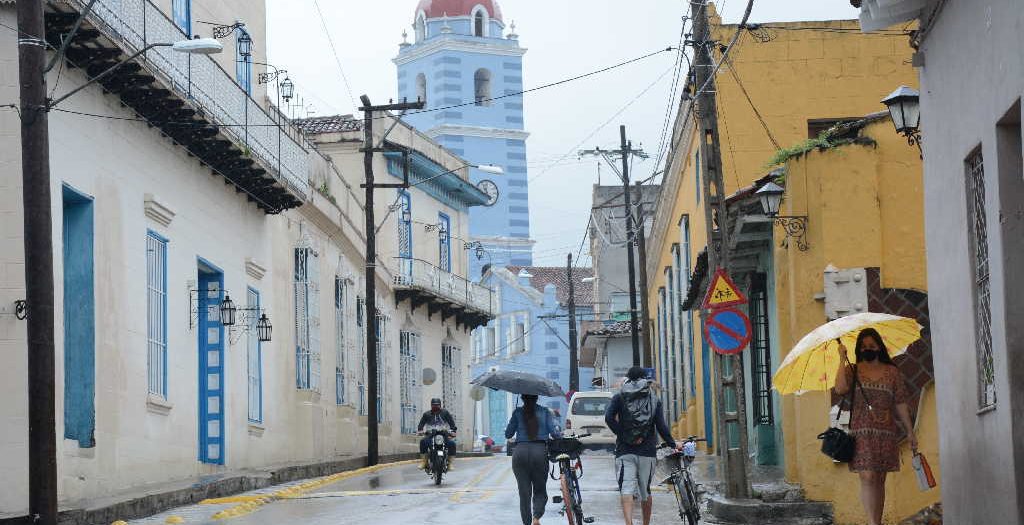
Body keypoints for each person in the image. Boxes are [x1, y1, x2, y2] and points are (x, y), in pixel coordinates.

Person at [834, 328, 916, 525]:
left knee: (879, 479)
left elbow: (901, 403)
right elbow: (840, 389)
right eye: (863, 346)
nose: (867, 349)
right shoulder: (852, 369)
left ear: (879, 347)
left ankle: (876, 522)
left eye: (871, 346)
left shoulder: (892, 372)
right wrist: (841, 358)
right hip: (861, 432)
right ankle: (872, 522)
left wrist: (910, 431)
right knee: (868, 476)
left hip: (885, 433)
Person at [605, 366, 678, 525]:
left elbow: (609, 418)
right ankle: (645, 523)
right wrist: (673, 445)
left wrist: (624, 435)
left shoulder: (619, 397)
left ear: (628, 378)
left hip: (625, 451)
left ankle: (629, 522)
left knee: (626, 488)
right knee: (645, 491)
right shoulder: (654, 399)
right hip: (647, 452)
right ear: (645, 379)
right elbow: (661, 427)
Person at [505, 394, 559, 525]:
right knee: (540, 489)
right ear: (537, 398)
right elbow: (554, 433)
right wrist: (559, 435)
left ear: (522, 398)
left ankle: (527, 523)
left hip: (520, 453)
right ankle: (536, 517)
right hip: (539, 452)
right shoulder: (545, 412)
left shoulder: (517, 412)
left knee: (524, 493)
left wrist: (514, 420)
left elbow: (508, 434)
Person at [417, 398, 457, 470]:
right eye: (434, 405)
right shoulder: (426, 414)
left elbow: (451, 423)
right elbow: (421, 424)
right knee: (423, 442)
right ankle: (424, 461)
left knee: (452, 444)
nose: (435, 406)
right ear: (431, 405)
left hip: (443, 434)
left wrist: (453, 431)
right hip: (430, 434)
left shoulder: (445, 413)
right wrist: (420, 430)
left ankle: (450, 463)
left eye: (437, 405)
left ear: (440, 405)